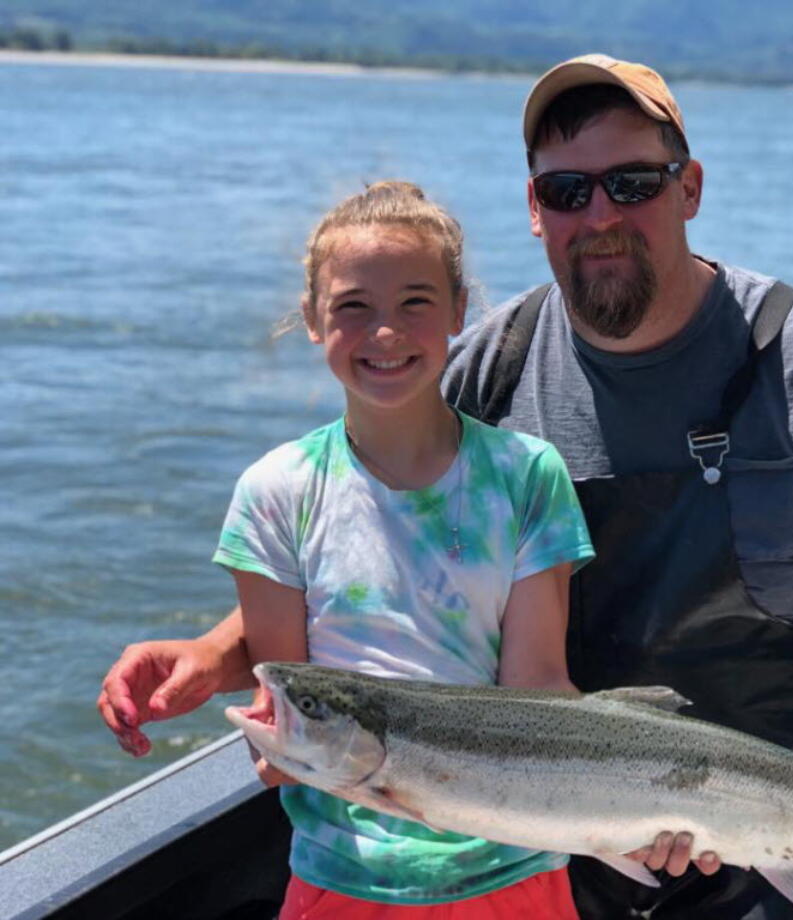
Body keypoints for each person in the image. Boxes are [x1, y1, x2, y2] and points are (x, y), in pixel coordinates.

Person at [100, 56, 793, 920]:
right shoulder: (490, 367)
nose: (600, 216)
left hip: (786, 842)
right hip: (562, 850)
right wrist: (218, 656)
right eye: (568, 191)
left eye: (633, 183)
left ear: (691, 188)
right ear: (534, 209)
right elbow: (378, 536)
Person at [206, 179, 595, 918]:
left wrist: (639, 817)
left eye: (415, 302)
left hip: (515, 874)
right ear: (315, 321)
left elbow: (539, 691)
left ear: (457, 311)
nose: (385, 332)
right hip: (342, 880)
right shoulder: (276, 491)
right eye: (354, 307)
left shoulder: (527, 475)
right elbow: (281, 699)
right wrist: (277, 745)